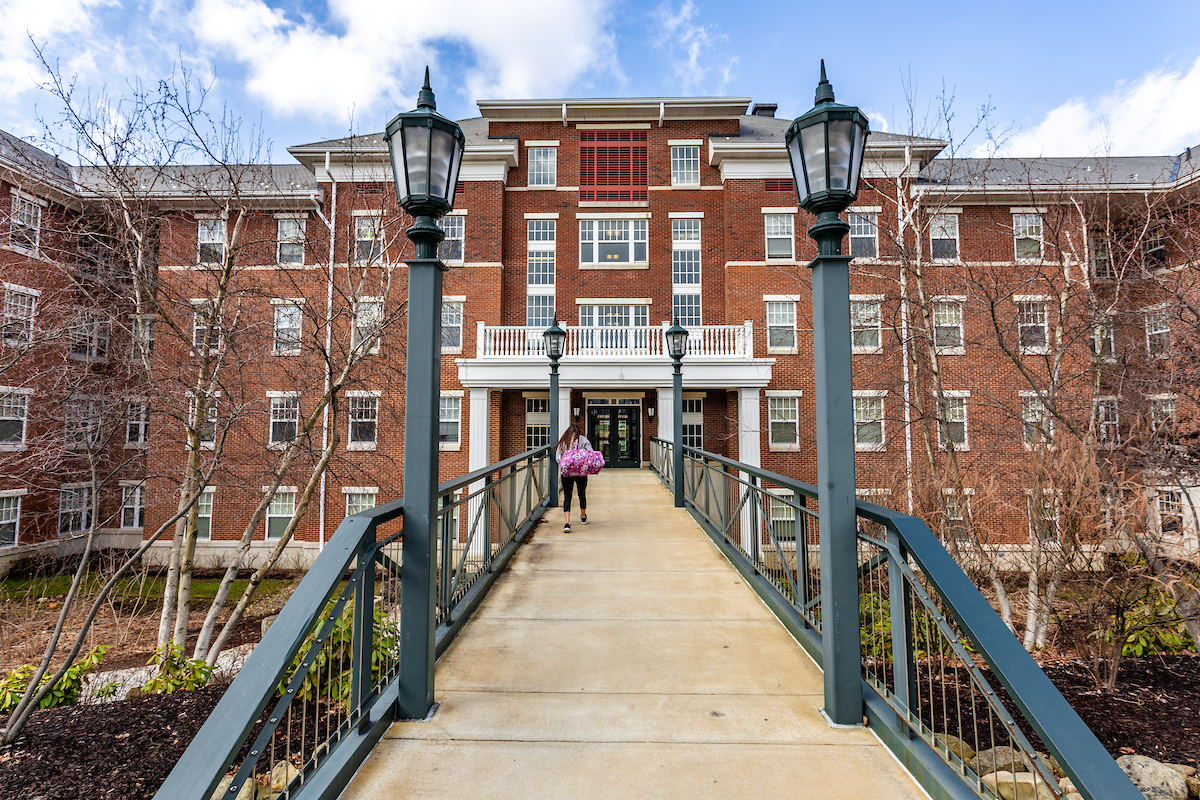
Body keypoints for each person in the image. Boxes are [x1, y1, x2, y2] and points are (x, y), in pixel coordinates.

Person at [555, 423, 592, 531]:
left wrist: (564, 464)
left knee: (567, 496)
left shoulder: (564, 440)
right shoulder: (583, 440)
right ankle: (583, 516)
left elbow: (558, 457)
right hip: (581, 472)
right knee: (582, 494)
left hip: (567, 473)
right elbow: (591, 453)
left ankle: (567, 522)